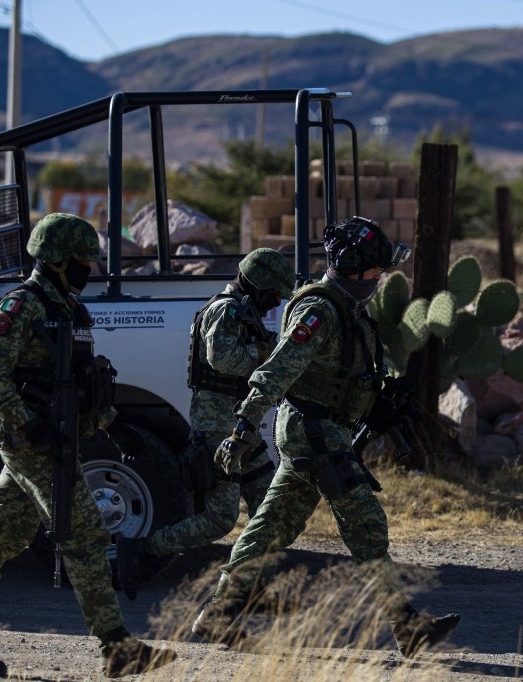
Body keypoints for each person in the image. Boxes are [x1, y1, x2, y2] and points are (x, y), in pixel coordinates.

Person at [190, 216, 461, 657]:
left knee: (268, 530)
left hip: (318, 433)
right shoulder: (317, 310)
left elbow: (346, 371)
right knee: (366, 523)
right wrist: (242, 427)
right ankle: (407, 626)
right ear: (350, 265)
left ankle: (217, 615)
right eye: (375, 269)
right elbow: (277, 371)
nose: (379, 278)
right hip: (312, 435)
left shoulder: (347, 308)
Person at [0, 213, 176, 678]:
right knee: (84, 535)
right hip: (30, 441)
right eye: (83, 260)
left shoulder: (68, 309)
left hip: (57, 435)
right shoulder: (22, 306)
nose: (90, 267)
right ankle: (116, 647)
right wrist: (28, 424)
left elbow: (78, 383)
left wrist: (113, 425)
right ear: (58, 260)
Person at [115, 248, 295, 600]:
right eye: (273, 295)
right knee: (219, 520)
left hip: (242, 427)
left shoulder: (245, 313)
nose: (274, 304)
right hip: (217, 431)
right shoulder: (224, 310)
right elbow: (223, 357)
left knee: (272, 508)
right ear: (257, 286)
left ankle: (256, 586)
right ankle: (143, 549)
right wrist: (265, 355)